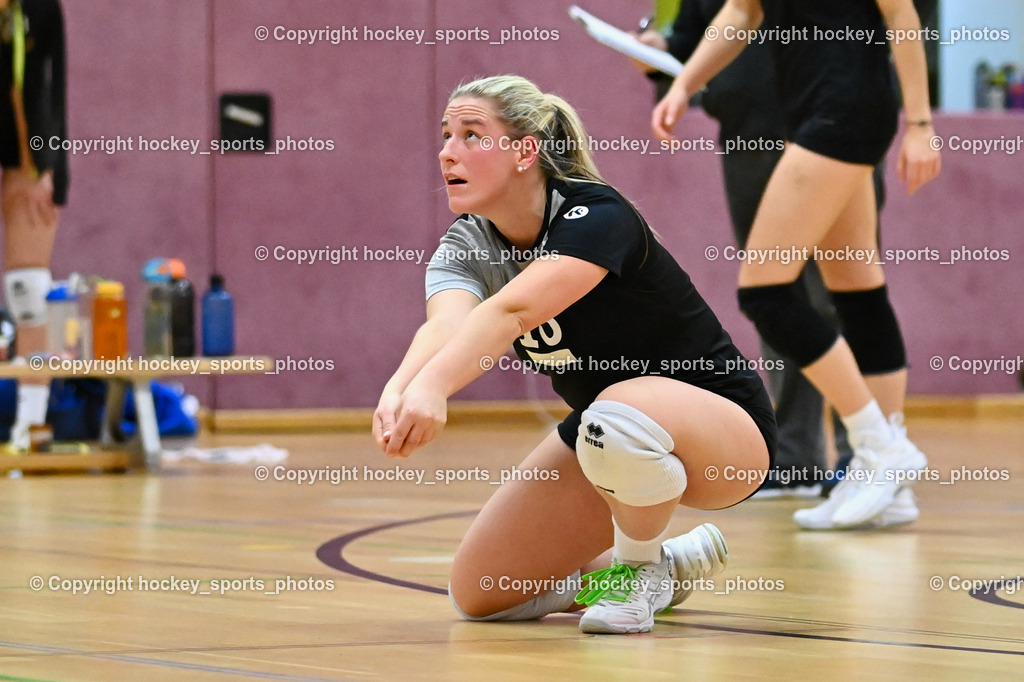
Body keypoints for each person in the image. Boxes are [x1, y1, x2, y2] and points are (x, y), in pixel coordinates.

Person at [374, 75, 777, 634]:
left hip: (725, 432)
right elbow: (446, 325)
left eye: (471, 134)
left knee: (616, 413)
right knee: (484, 593)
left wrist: (435, 386)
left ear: (525, 152)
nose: (447, 152)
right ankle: (663, 566)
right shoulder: (467, 244)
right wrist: (400, 388)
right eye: (446, 135)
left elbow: (511, 312)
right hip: (608, 433)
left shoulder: (596, 214)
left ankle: (636, 575)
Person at [652, 0, 940, 530]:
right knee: (857, 288)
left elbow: (902, 16)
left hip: (844, 110)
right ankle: (889, 479)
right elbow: (741, 12)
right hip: (810, 111)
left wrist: (920, 125)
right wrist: (684, 83)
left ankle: (879, 446)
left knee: (764, 293)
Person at [636, 0, 855, 501]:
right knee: (775, 296)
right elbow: (694, 37)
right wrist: (658, 55)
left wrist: (917, 122)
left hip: (824, 129)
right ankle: (796, 459)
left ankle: (863, 455)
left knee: (839, 295)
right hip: (747, 133)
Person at [0, 0, 68, 450]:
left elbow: (48, 86)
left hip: (27, 154)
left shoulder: (39, 7)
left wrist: (47, 164)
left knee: (28, 292)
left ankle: (31, 423)